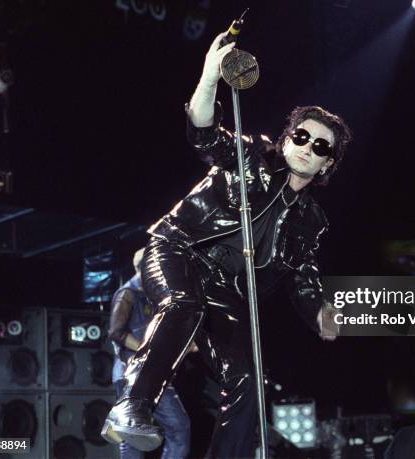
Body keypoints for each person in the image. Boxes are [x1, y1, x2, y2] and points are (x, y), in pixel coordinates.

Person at [102, 31, 351, 458]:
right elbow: (203, 132)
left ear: (329, 163)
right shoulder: (250, 155)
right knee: (182, 303)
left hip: (224, 287)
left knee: (250, 378)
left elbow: (303, 278)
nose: (307, 148)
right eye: (301, 137)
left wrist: (320, 314)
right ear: (288, 137)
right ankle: (132, 406)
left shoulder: (311, 221)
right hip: (179, 249)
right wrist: (209, 77)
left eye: (321, 146)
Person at [106, 249, 191, 459]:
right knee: (175, 429)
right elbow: (116, 332)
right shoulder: (128, 293)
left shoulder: (156, 296)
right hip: (134, 375)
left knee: (133, 433)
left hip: (151, 373)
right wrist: (150, 349)